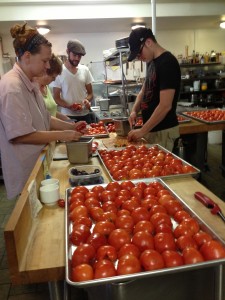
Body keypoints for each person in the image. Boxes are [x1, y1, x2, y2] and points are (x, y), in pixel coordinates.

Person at [0, 23, 86, 200]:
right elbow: (20, 135)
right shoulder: (12, 87)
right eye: (45, 61)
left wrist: (72, 126)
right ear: (27, 56)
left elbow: (46, 118)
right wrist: (63, 135)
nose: (47, 66)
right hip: (24, 170)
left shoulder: (30, 83)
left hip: (37, 163)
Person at [127, 27, 181, 151]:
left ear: (148, 42)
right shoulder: (151, 62)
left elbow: (165, 106)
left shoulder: (167, 63)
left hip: (163, 132)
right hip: (151, 130)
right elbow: (143, 90)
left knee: (163, 170)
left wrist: (142, 131)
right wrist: (134, 110)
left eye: (139, 53)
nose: (139, 57)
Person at [51, 39, 94, 123]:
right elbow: (56, 98)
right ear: (68, 51)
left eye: (79, 56)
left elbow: (90, 93)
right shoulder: (60, 71)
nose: (77, 59)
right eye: (74, 55)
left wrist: (86, 100)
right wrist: (69, 106)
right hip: (67, 116)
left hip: (85, 115)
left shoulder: (85, 70)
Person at [33, 53, 71, 121]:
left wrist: (68, 120)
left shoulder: (46, 87)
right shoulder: (33, 90)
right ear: (45, 72)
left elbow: (52, 112)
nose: (54, 80)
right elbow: (45, 118)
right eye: (53, 77)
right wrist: (67, 126)